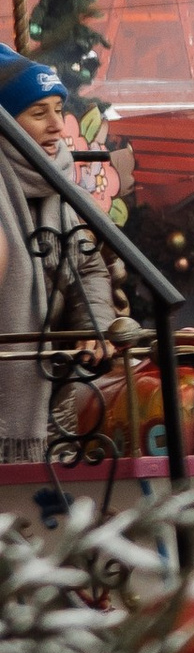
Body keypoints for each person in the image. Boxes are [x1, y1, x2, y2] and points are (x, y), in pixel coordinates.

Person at [0, 51, 114, 458]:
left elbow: (91, 270)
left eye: (58, 110)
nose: (55, 125)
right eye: (37, 112)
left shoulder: (67, 192)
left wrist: (95, 325)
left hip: (57, 393)